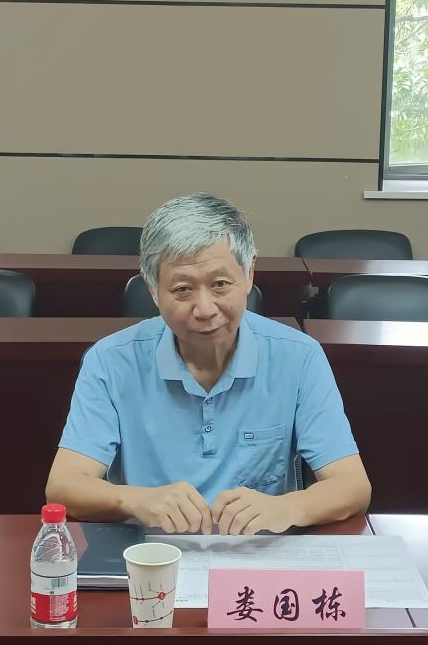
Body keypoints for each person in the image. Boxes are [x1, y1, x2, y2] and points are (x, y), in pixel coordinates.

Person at [46, 193, 370, 535]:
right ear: (153, 290)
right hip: (150, 556)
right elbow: (64, 485)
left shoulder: (299, 356)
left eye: (220, 285)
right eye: (182, 289)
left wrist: (286, 507)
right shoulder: (110, 360)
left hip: (257, 554)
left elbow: (353, 486)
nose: (204, 309)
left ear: (249, 273)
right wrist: (137, 500)